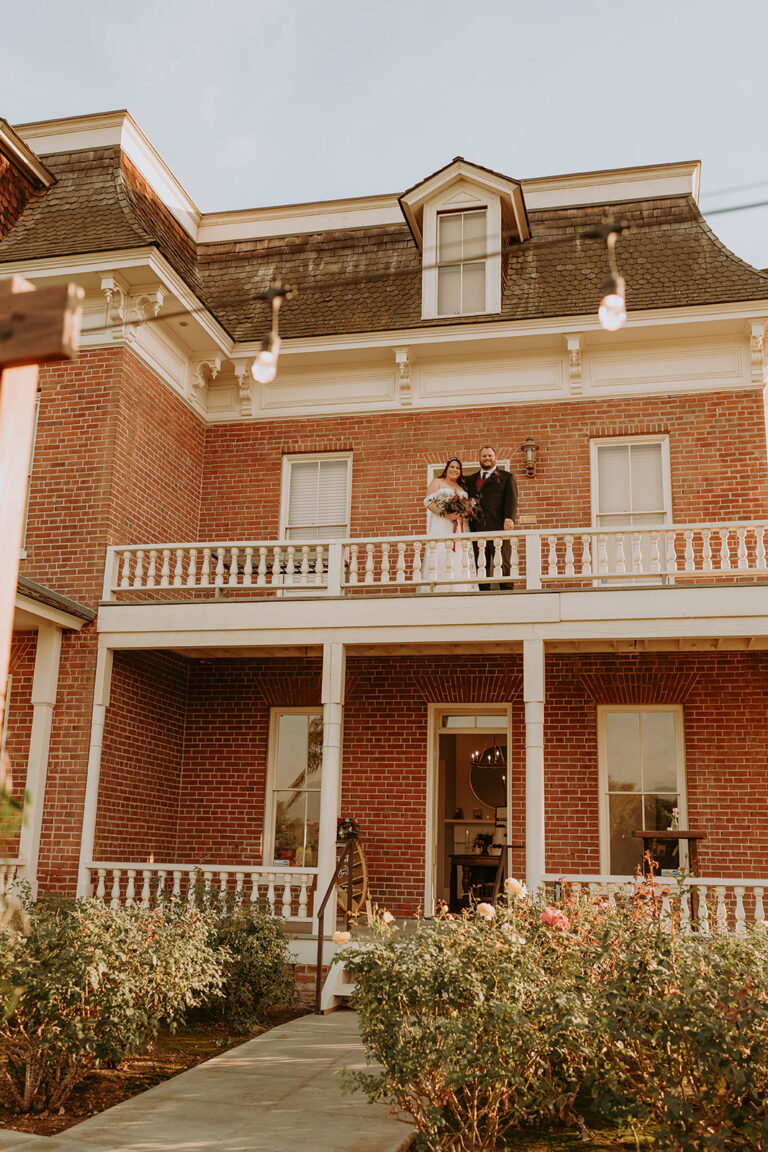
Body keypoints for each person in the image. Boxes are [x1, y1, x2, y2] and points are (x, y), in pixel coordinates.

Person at [465, 445, 518, 590]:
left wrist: (509, 518)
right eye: (484, 456)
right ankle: (483, 591)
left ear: (495, 458)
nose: (487, 458)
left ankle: (507, 591)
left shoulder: (507, 478)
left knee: (503, 562)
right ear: (479, 459)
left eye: (490, 456)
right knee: (481, 562)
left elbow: (512, 499)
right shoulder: (470, 480)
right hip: (477, 529)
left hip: (499, 527)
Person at [423, 458, 477, 592]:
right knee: (441, 552)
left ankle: (459, 589)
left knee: (459, 556)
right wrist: (445, 515)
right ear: (447, 469)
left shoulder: (462, 488)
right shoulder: (438, 482)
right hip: (442, 525)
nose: (454, 470)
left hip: (459, 528)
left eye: (458, 468)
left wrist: (465, 511)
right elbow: (428, 502)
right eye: (452, 467)